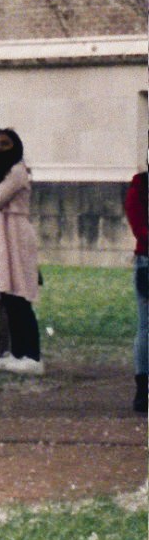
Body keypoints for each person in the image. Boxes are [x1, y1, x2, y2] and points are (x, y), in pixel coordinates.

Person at [0, 128, 41, 375]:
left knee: (21, 295)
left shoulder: (17, 171)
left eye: (5, 143)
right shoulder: (3, 174)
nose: (0, 148)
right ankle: (17, 352)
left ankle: (32, 355)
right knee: (9, 296)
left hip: (17, 237)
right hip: (4, 236)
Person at [124, 165, 145, 415]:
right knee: (146, 326)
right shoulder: (140, 185)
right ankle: (143, 387)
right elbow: (139, 226)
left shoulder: (140, 185)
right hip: (147, 259)